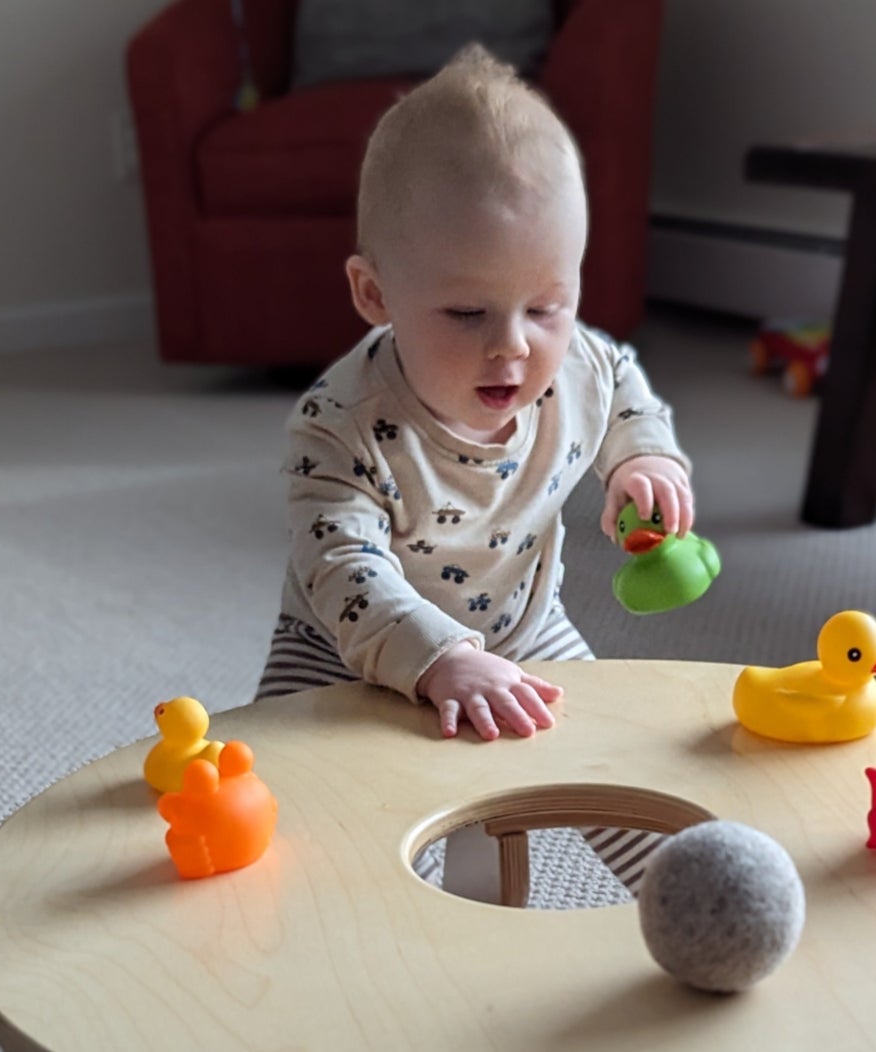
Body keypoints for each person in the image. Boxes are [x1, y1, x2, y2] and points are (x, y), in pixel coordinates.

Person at [256, 44, 696, 889]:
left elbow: (622, 387)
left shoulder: (577, 367)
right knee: (289, 808)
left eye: (547, 307)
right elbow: (339, 565)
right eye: (466, 312)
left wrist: (641, 461)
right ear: (374, 294)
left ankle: (689, 892)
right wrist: (437, 657)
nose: (512, 345)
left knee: (614, 771)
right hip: (343, 644)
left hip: (525, 629)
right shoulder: (339, 424)